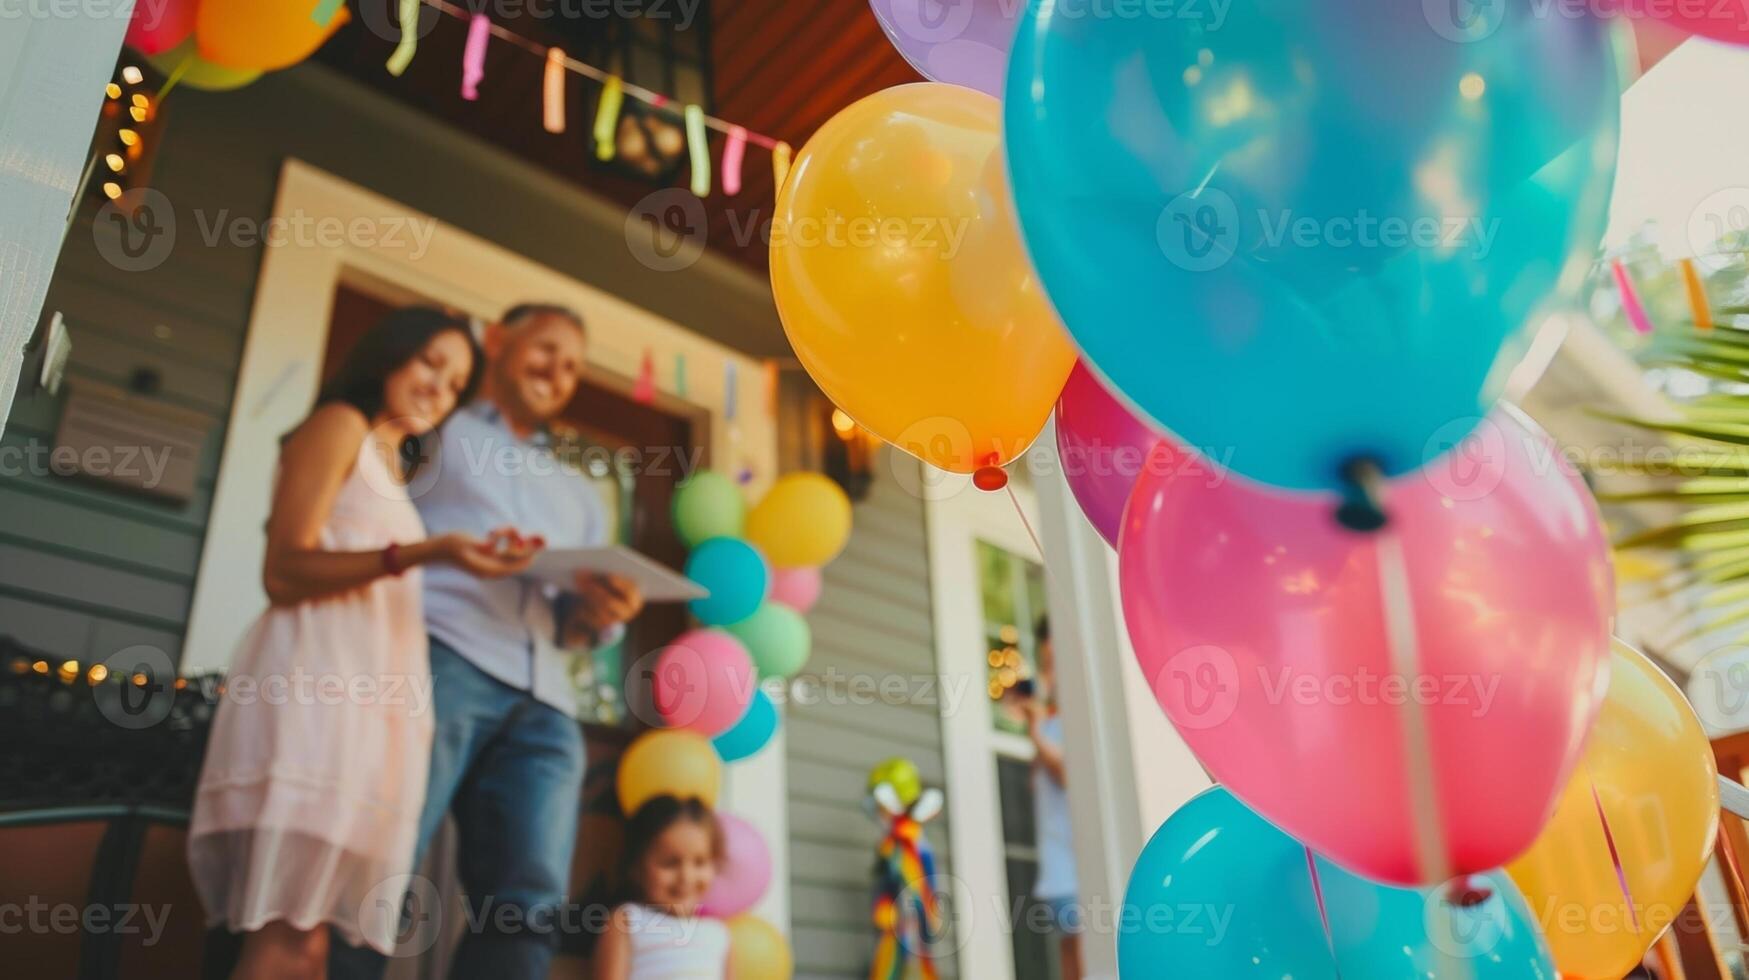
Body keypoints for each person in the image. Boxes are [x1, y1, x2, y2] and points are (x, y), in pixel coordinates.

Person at [188, 307, 542, 978]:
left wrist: (452, 554)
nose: (441, 388)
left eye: (457, 382)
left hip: (360, 715)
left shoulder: (394, 468)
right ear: (389, 356)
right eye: (431, 364)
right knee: (285, 940)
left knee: (310, 944)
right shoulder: (339, 426)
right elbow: (284, 570)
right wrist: (425, 551)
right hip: (313, 697)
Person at [331, 303, 645, 979]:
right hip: (438, 656)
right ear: (497, 340)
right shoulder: (432, 426)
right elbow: (359, 517)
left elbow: (574, 627)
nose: (557, 374)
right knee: (380, 859)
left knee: (527, 907)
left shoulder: (582, 495)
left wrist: (599, 608)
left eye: (571, 368)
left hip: (546, 697)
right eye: (546, 350)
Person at [593, 796, 730, 980]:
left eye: (700, 862)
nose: (686, 877)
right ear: (636, 867)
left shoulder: (719, 933)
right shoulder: (627, 921)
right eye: (670, 863)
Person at [1025, 618, 1082, 980]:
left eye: (1054, 662)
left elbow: (1065, 775)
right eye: (1046, 663)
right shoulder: (1052, 721)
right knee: (1070, 960)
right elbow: (1036, 782)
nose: (1050, 672)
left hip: (1077, 868)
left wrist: (1034, 731)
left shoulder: (1074, 722)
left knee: (1085, 957)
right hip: (1058, 868)